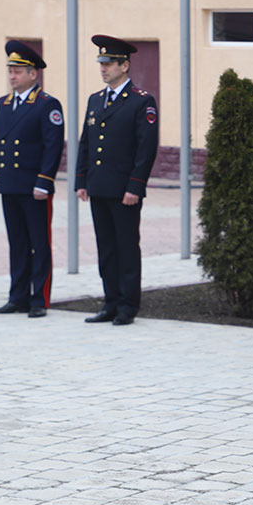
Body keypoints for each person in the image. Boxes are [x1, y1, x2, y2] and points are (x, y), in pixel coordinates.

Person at [75, 35, 158, 326]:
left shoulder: (141, 101)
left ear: (125, 66)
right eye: (101, 63)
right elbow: (86, 142)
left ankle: (127, 305)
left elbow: (145, 148)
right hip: (99, 186)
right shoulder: (95, 100)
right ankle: (109, 302)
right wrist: (81, 180)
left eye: (109, 63)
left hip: (124, 190)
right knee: (106, 249)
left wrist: (135, 185)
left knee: (126, 247)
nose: (103, 68)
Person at [0, 41, 64, 319]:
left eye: (18, 71)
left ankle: (39, 298)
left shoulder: (46, 104)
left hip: (34, 187)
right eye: (10, 71)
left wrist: (44, 181)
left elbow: (53, 146)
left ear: (33, 74)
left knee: (38, 243)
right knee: (17, 243)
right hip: (9, 184)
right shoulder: (3, 104)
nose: (12, 76)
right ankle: (17, 297)